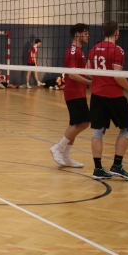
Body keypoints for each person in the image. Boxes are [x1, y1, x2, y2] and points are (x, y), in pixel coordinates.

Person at [86, 20, 128, 181]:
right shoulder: (117, 50)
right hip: (114, 96)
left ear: (104, 32)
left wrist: (99, 80)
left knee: (98, 131)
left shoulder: (94, 49)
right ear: (117, 32)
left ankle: (98, 169)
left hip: (97, 95)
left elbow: (87, 71)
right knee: (127, 128)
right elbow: (117, 76)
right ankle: (117, 165)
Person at [50, 23, 91, 168]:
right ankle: (58, 148)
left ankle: (66, 156)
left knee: (75, 124)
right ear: (77, 34)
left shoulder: (79, 51)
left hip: (78, 92)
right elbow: (72, 74)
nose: (88, 35)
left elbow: (82, 72)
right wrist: (89, 82)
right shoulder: (73, 51)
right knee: (84, 122)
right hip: (74, 92)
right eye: (85, 33)